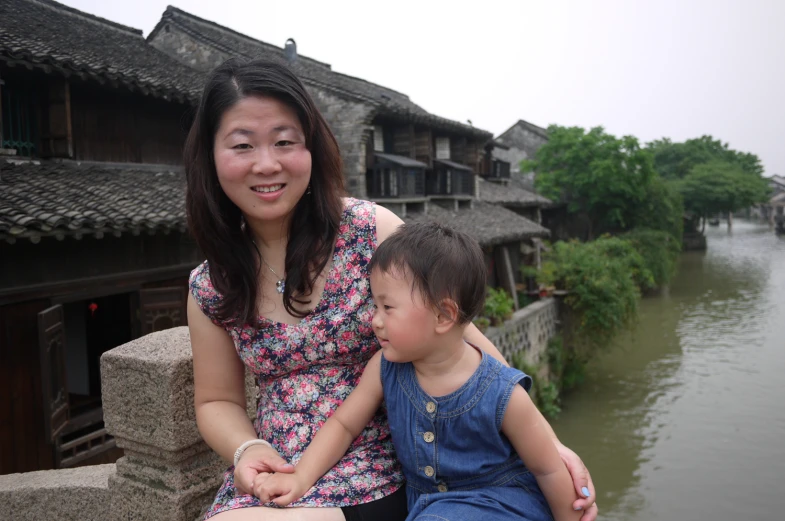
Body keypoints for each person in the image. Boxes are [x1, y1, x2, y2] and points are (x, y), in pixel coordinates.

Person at [185, 57, 598, 521]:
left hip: (387, 462)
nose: (266, 163)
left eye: (284, 141)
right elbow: (217, 399)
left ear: (312, 149)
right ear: (211, 156)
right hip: (278, 473)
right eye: (242, 145)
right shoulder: (211, 284)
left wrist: (551, 448)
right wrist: (246, 449)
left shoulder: (369, 230)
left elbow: (463, 340)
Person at [254, 222, 580, 521]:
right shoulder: (386, 367)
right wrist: (300, 477)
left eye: (388, 308)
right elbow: (343, 424)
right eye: (374, 306)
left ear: (443, 316)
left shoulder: (502, 392)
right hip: (429, 506)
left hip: (500, 502)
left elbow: (548, 469)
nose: (375, 320)